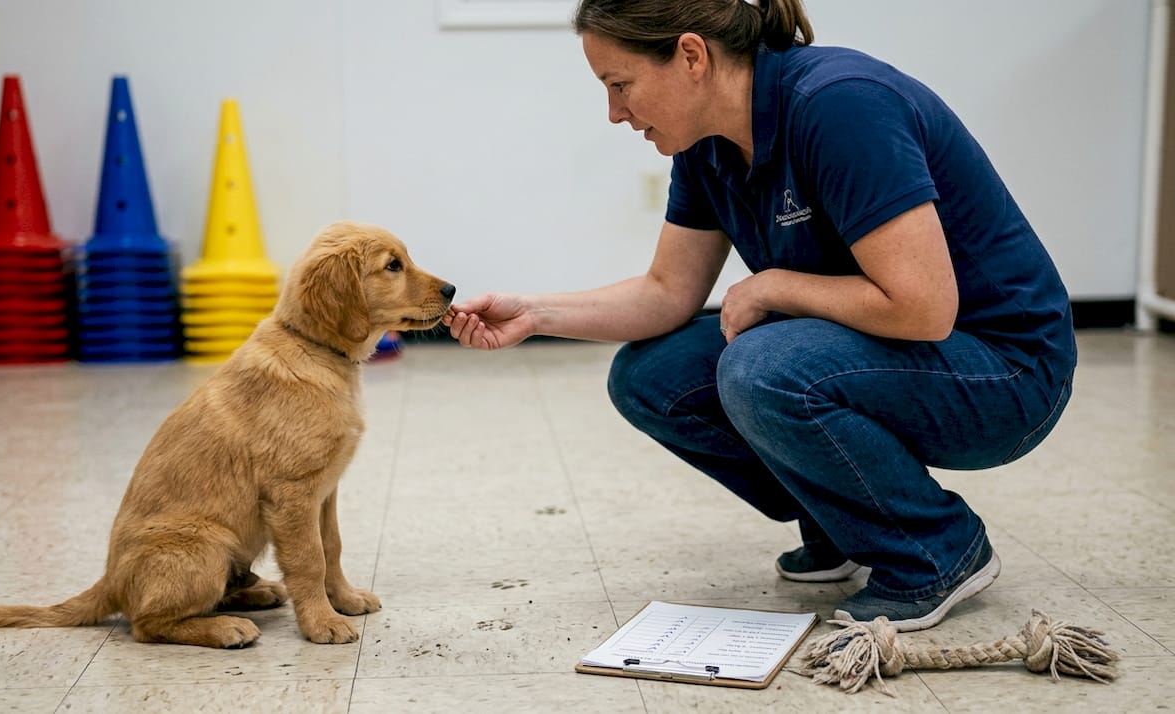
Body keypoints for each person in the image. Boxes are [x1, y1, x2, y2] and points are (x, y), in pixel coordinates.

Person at [444, 0, 1075, 631]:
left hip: (1005, 371)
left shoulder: (840, 104)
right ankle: (847, 523)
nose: (614, 113)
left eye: (620, 85)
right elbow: (667, 292)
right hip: (897, 349)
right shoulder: (705, 144)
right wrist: (533, 313)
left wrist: (777, 285)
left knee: (762, 368)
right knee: (652, 377)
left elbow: (924, 307)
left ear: (691, 56)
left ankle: (935, 551)